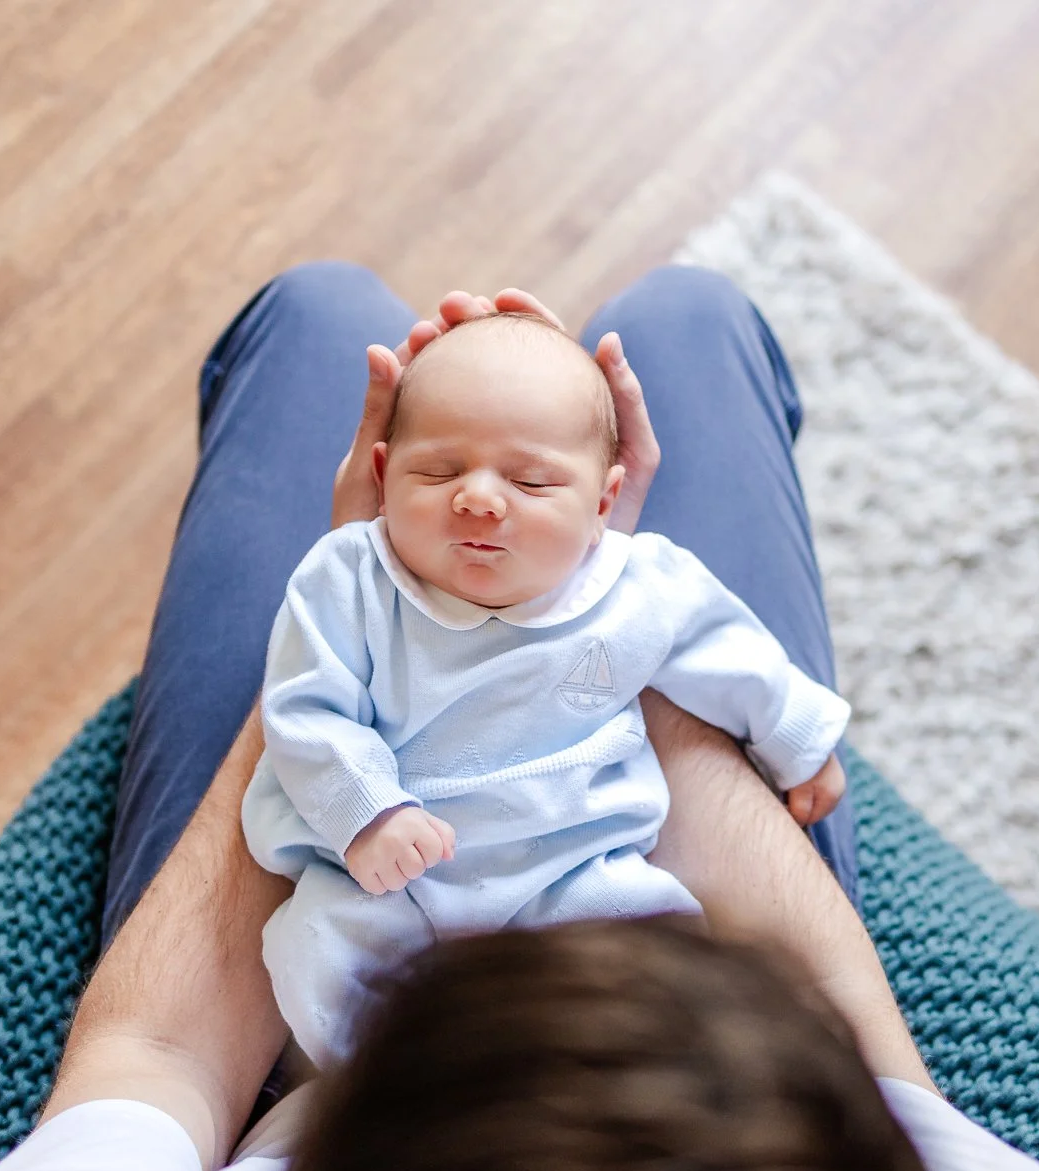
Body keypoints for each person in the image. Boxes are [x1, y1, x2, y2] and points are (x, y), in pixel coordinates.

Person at [0, 263, 1039, 1171]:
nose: (482, 497)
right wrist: (581, 614)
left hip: (340, 952)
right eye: (463, 475)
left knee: (311, 315)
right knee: (698, 320)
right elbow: (846, 1017)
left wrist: (372, 601)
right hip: (638, 862)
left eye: (530, 480)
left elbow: (159, 1051)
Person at [245, 309, 851, 1065]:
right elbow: (304, 707)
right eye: (436, 471)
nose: (479, 499)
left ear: (603, 502)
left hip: (577, 865)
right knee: (318, 950)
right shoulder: (349, 577)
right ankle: (389, 1087)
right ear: (380, 474)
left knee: (665, 953)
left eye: (531, 480)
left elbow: (729, 650)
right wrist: (366, 813)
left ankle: (620, 1075)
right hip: (399, 876)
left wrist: (797, 737)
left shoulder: (636, 584)